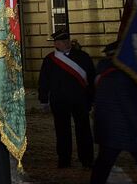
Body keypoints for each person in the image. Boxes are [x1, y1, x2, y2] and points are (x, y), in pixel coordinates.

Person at [86, 41, 137, 184]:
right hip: (126, 130)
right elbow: (131, 107)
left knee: (103, 165)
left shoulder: (103, 72)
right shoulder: (122, 76)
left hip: (108, 129)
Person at [38, 29, 95, 168]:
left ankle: (86, 159)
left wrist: (92, 98)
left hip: (80, 100)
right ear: (56, 44)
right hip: (60, 101)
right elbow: (44, 81)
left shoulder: (83, 57)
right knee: (62, 131)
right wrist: (44, 100)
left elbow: (92, 78)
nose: (66, 43)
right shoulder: (50, 60)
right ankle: (64, 159)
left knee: (84, 131)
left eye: (67, 40)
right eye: (62, 41)